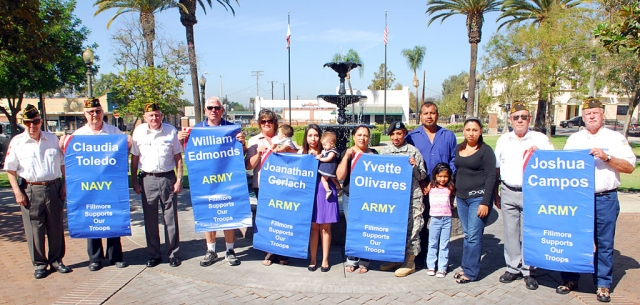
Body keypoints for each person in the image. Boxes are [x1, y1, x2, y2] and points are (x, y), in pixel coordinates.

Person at [558, 98, 635, 303]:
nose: (591, 116)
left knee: (604, 243)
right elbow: (562, 167)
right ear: (583, 117)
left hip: (604, 198)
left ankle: (602, 283)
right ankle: (570, 279)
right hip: (578, 199)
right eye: (587, 113)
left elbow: (629, 167)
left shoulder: (615, 138)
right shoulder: (574, 139)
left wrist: (607, 158)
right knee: (574, 240)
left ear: (602, 114)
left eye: (595, 112)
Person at [3, 104, 70, 279]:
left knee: (56, 226)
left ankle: (56, 261)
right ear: (23, 123)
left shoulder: (52, 139)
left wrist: (65, 184)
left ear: (40, 121)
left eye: (36, 122)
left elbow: (63, 163)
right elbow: (10, 170)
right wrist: (17, 191)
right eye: (28, 123)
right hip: (31, 189)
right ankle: (40, 264)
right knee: (35, 228)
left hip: (53, 186)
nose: (32, 126)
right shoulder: (17, 142)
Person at [63, 98, 131, 271]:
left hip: (110, 185)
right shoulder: (77, 136)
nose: (95, 115)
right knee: (92, 219)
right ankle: (95, 258)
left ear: (102, 112)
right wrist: (62, 143)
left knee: (112, 217)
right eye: (91, 112)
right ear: (85, 114)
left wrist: (129, 143)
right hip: (88, 187)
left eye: (98, 111)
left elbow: (126, 151)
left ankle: (115, 256)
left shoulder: (114, 133)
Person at [178, 96, 245, 267]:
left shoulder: (232, 129)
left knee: (228, 213)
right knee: (210, 214)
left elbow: (240, 155)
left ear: (222, 110)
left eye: (217, 108)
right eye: (210, 108)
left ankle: (230, 250)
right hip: (206, 181)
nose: (213, 110)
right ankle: (211, 250)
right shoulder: (197, 130)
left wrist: (242, 144)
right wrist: (180, 138)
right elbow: (184, 153)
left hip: (227, 179)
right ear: (205, 110)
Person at [494, 101, 554, 290]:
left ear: (529, 119)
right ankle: (513, 267)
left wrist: (540, 155)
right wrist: (496, 192)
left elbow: (553, 165)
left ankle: (529, 271)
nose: (520, 120)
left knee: (530, 232)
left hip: (532, 193)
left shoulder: (540, 139)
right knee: (510, 232)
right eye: (516, 117)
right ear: (510, 120)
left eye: (523, 117)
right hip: (508, 190)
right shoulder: (504, 140)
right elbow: (497, 168)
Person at [130, 102, 183, 268]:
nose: (155, 118)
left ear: (162, 116)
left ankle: (173, 254)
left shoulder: (170, 131)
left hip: (168, 178)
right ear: (145, 117)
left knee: (171, 219)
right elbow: (134, 159)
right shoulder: (139, 132)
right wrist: (134, 181)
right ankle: (154, 254)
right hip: (147, 179)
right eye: (151, 115)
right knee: (150, 219)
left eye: (158, 114)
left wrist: (179, 179)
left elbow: (178, 158)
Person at [406, 101, 457, 269]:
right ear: (420, 116)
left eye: (432, 113)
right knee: (420, 222)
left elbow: (453, 161)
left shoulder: (448, 136)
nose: (429, 116)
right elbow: (407, 161)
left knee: (440, 222)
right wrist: (421, 182)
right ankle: (420, 257)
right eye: (425, 113)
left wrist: (449, 184)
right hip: (422, 189)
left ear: (437, 115)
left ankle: (439, 259)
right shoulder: (412, 137)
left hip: (442, 191)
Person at [378, 122, 427, 277]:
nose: (396, 137)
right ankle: (396, 258)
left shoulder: (413, 152)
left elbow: (422, 176)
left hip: (412, 196)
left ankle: (410, 262)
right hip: (393, 198)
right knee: (394, 228)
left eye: (399, 133)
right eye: (393, 134)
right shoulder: (385, 152)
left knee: (413, 228)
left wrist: (414, 166)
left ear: (405, 133)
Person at [453, 117, 496, 284]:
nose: (471, 133)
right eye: (468, 130)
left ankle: (471, 272)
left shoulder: (486, 151)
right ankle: (466, 267)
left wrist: (485, 201)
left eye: (475, 130)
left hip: (478, 198)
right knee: (468, 235)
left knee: (473, 236)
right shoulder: (459, 148)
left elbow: (491, 176)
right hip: (462, 198)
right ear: (463, 131)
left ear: (480, 132)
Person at [245, 109, 290, 266]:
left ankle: (282, 251)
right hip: (262, 185)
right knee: (266, 218)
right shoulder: (254, 141)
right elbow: (248, 165)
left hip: (281, 186)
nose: (266, 124)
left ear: (274, 123)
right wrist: (258, 153)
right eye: (263, 121)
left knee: (282, 218)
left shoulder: (283, 139)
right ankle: (269, 253)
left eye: (269, 121)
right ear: (259, 123)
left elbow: (295, 156)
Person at [336, 125, 377, 274]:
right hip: (350, 197)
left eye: (365, 135)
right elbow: (340, 176)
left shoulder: (374, 154)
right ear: (354, 136)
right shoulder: (347, 153)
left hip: (368, 199)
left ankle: (365, 259)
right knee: (352, 227)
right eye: (359, 135)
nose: (362, 138)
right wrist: (346, 157)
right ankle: (352, 259)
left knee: (367, 227)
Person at [299, 124, 339, 272]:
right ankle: (313, 259)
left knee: (326, 228)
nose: (313, 138)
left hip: (325, 190)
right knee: (314, 227)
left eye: (316, 135)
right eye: (310, 135)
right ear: (306, 137)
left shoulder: (327, 152)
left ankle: (325, 259)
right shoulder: (302, 152)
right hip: (310, 192)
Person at [425, 162, 455, 278]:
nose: (442, 179)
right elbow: (424, 192)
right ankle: (431, 266)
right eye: (440, 176)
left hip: (447, 219)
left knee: (444, 244)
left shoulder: (450, 187)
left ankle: (442, 268)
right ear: (435, 176)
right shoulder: (431, 186)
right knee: (432, 243)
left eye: (445, 176)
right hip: (434, 219)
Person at [316, 131, 342, 200]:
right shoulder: (325, 150)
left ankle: (328, 190)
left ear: (332, 144)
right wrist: (320, 155)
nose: (323, 147)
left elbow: (328, 158)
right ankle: (339, 188)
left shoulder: (332, 151)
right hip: (329, 169)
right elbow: (322, 154)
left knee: (323, 179)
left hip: (329, 168)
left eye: (325, 145)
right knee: (333, 179)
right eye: (323, 145)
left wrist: (320, 159)